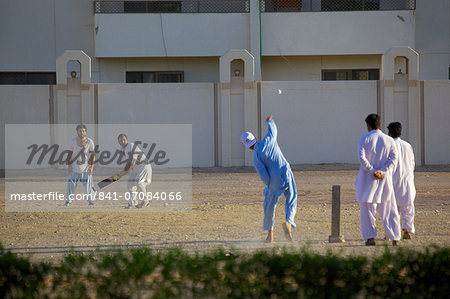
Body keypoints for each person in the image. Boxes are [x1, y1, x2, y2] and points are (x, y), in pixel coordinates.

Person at [241, 115, 297, 243]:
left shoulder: (256, 157)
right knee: (292, 197)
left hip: (274, 180)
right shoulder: (269, 140)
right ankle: (289, 222)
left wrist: (268, 186)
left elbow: (264, 175)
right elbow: (274, 130)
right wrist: (269, 121)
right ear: (255, 137)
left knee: (269, 205)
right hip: (286, 171)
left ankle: (270, 236)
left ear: (248, 146)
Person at [355, 114, 401, 246]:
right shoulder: (389, 140)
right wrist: (383, 171)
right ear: (380, 125)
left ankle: (370, 238)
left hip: (367, 180)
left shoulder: (364, 139)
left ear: (368, 126)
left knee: (367, 211)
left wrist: (372, 170)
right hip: (384, 180)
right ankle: (395, 237)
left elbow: (362, 158)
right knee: (389, 210)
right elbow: (393, 158)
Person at [387, 122, 416, 240]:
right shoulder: (407, 145)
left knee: (392, 207)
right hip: (407, 179)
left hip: (392, 179)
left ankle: (392, 232)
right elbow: (412, 163)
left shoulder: (388, 145)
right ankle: (407, 230)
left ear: (389, 132)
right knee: (407, 205)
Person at [117, 134, 152, 208]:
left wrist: (124, 171)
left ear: (127, 140)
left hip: (144, 166)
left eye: (124, 140)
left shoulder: (131, 145)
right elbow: (128, 163)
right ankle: (132, 203)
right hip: (135, 168)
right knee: (130, 184)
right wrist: (123, 171)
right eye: (121, 140)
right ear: (118, 142)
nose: (123, 141)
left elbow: (132, 161)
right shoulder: (122, 150)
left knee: (139, 183)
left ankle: (145, 201)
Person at [65, 124, 95, 206]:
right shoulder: (72, 141)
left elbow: (92, 155)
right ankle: (68, 201)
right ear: (77, 132)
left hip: (86, 168)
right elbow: (69, 155)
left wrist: (91, 167)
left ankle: (90, 201)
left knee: (89, 185)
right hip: (74, 167)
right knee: (71, 184)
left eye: (83, 131)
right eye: (80, 131)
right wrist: (69, 166)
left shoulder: (90, 142)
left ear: (86, 132)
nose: (82, 132)